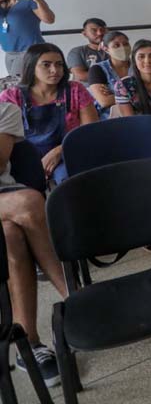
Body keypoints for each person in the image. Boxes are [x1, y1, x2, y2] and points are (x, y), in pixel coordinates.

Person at [0, 100, 68, 386]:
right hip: (13, 201)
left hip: (4, 199)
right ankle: (75, 299)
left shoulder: (5, 110)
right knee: (28, 203)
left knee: (11, 235)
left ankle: (28, 345)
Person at [0, 44, 98, 184]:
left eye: (59, 64)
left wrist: (59, 151)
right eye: (46, 65)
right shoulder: (12, 96)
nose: (54, 70)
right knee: (26, 190)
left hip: (68, 151)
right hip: (23, 157)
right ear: (31, 66)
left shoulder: (75, 90)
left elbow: (90, 131)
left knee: (69, 181)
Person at [0, 0, 55, 79]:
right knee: (17, 86)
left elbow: (49, 20)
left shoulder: (29, 1)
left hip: (29, 51)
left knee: (19, 86)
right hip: (9, 53)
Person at [87, 31, 132, 120]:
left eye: (125, 44)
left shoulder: (138, 66)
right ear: (106, 49)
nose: (122, 48)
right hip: (109, 119)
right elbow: (104, 101)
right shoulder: (97, 69)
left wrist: (116, 95)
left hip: (140, 114)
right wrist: (138, 94)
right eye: (116, 45)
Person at [66, 17, 108, 83]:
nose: (99, 33)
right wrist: (112, 75)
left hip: (114, 90)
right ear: (85, 34)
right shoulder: (77, 51)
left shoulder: (114, 50)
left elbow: (125, 71)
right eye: (94, 30)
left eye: (102, 30)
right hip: (86, 91)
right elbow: (80, 76)